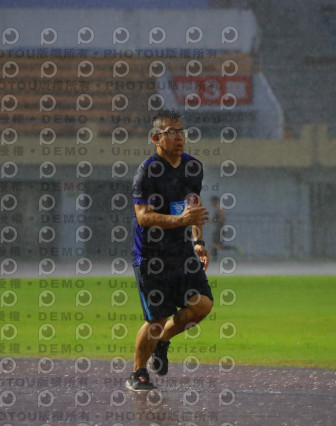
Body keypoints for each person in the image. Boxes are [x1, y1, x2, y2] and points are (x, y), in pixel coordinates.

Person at [125, 109, 213, 392]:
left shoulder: (193, 167)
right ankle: (138, 373)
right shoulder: (147, 172)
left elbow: (193, 206)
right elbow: (143, 217)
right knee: (156, 319)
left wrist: (198, 242)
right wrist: (180, 221)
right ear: (156, 138)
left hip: (181, 251)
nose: (179, 137)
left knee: (202, 305)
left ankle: (162, 341)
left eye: (181, 131)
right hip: (150, 255)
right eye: (171, 132)